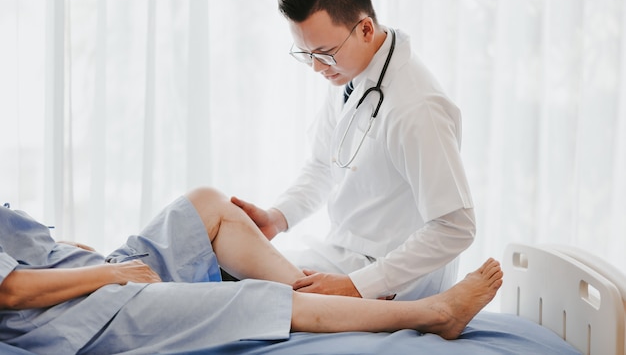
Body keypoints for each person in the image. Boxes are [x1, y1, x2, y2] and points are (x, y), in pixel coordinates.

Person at [0, 187, 502, 354]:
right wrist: (110, 277)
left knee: (206, 204)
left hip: (90, 276)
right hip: (77, 316)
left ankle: (342, 299)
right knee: (253, 301)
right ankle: (434, 312)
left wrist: (70, 251)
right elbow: (14, 291)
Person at [231, 0, 476, 301]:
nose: (316, 67)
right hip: (346, 256)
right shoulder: (350, 72)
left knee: (246, 291)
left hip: (396, 279)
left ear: (364, 29)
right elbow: (323, 166)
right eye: (306, 55)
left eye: (324, 53)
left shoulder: (417, 107)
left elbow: (456, 228)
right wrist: (277, 217)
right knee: (231, 267)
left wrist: (357, 285)